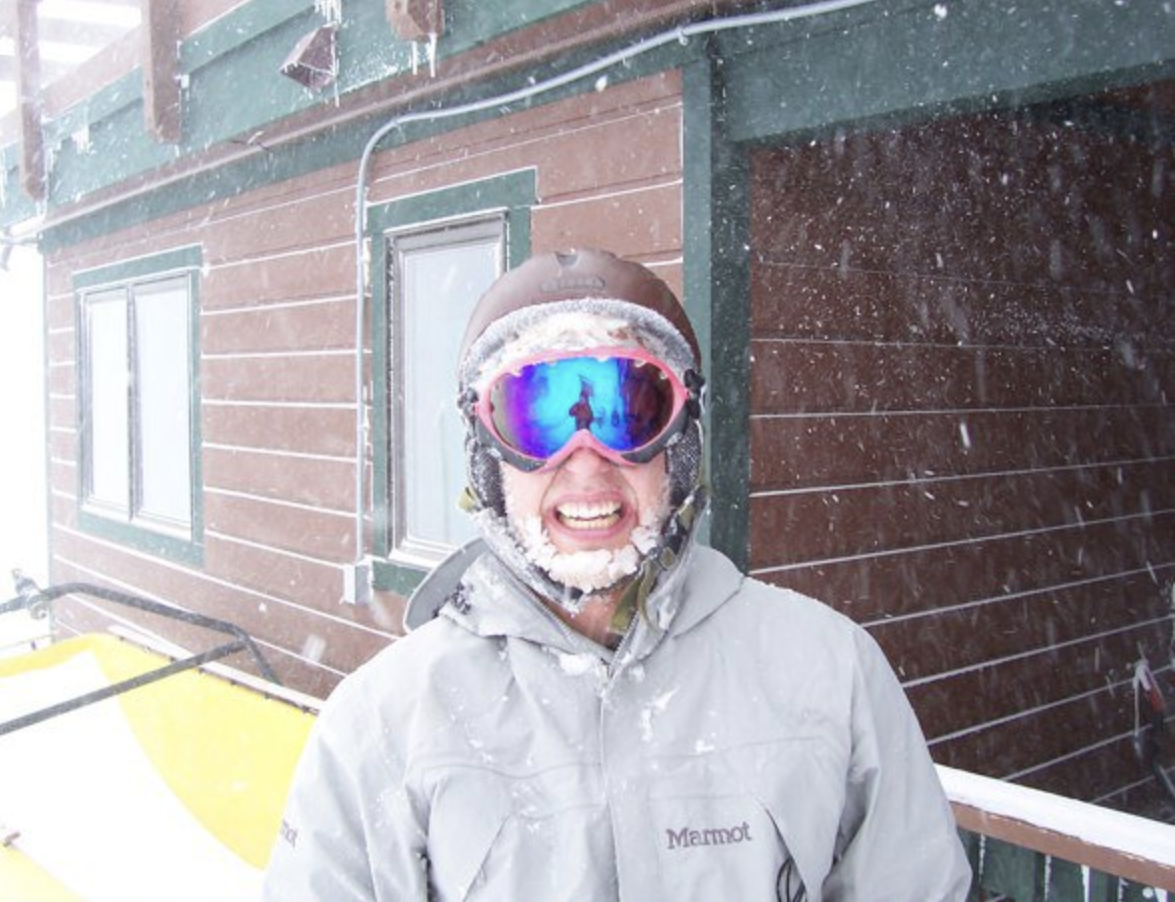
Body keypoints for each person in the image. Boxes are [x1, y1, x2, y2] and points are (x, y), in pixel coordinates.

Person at [263, 248, 972, 900]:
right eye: (538, 416)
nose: (587, 460)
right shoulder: (383, 725)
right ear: (490, 459)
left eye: (628, 411)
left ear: (679, 448)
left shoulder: (829, 671)